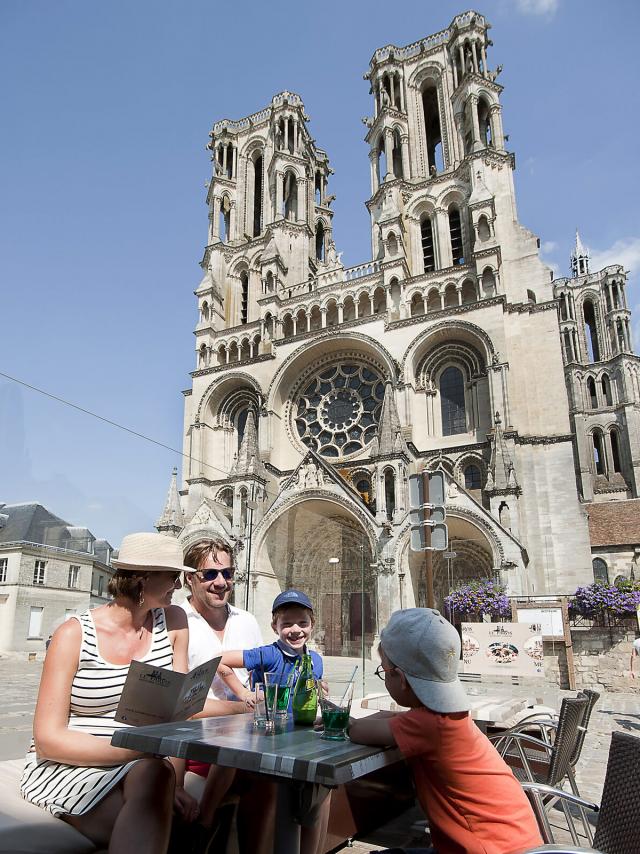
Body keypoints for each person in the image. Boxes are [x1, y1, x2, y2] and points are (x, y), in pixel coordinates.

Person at [20, 531, 194, 854]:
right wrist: (137, 751)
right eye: (173, 576)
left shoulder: (174, 622)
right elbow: (47, 740)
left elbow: (177, 716)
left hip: (144, 767)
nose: (179, 585)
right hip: (71, 765)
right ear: (142, 579)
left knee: (156, 776)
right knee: (151, 811)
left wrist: (177, 783)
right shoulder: (73, 634)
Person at [349, 608, 543, 854]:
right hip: (515, 842)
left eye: (383, 671)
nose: (384, 677)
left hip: (487, 849)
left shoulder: (427, 725)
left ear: (400, 678)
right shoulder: (446, 718)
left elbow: (356, 731)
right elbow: (398, 719)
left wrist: (338, 718)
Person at [220, 589, 328, 854]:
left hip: (300, 740)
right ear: (274, 626)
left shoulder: (315, 660)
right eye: (287, 623)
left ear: (312, 625)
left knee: (320, 789)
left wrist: (320, 690)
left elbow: (313, 693)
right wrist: (244, 694)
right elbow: (220, 662)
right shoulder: (268, 654)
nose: (295, 630)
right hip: (269, 739)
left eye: (302, 623)